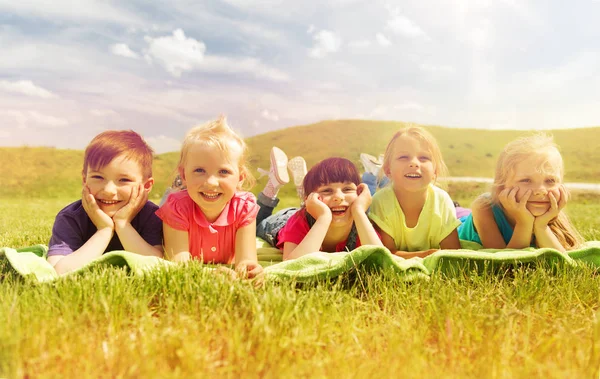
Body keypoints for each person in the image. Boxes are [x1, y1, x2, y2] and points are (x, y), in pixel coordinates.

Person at [156, 116, 262, 278]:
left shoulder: (244, 207)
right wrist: (210, 274)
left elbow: (246, 260)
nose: (211, 183)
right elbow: (178, 263)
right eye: (199, 171)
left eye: (224, 172)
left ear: (240, 178)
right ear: (184, 174)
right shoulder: (177, 207)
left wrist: (251, 271)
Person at [47, 130, 163, 274]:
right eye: (98, 177)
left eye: (124, 180)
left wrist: (123, 225)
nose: (108, 190)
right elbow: (58, 272)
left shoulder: (151, 216)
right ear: (84, 180)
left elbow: (157, 268)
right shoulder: (71, 217)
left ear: (146, 186)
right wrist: (104, 230)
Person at [458, 134, 583, 252]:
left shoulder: (551, 211)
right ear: (502, 186)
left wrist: (541, 226)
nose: (540, 190)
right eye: (526, 180)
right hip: (458, 219)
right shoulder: (484, 208)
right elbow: (504, 265)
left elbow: (561, 261)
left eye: (550, 180)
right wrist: (524, 223)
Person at [256, 156, 383, 260]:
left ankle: (304, 194)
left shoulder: (360, 223)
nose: (338, 197)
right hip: (282, 221)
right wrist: (323, 217)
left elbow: (381, 259)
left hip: (313, 208)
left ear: (359, 193)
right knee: (255, 222)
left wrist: (360, 212)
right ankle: (271, 187)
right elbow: (293, 266)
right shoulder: (298, 222)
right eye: (327, 190)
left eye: (347, 189)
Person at [368, 125, 462, 259]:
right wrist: (427, 254)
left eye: (424, 158)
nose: (414, 163)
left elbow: (453, 254)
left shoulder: (442, 200)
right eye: (403, 157)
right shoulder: (380, 202)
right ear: (388, 170)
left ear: (435, 171)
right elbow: (386, 254)